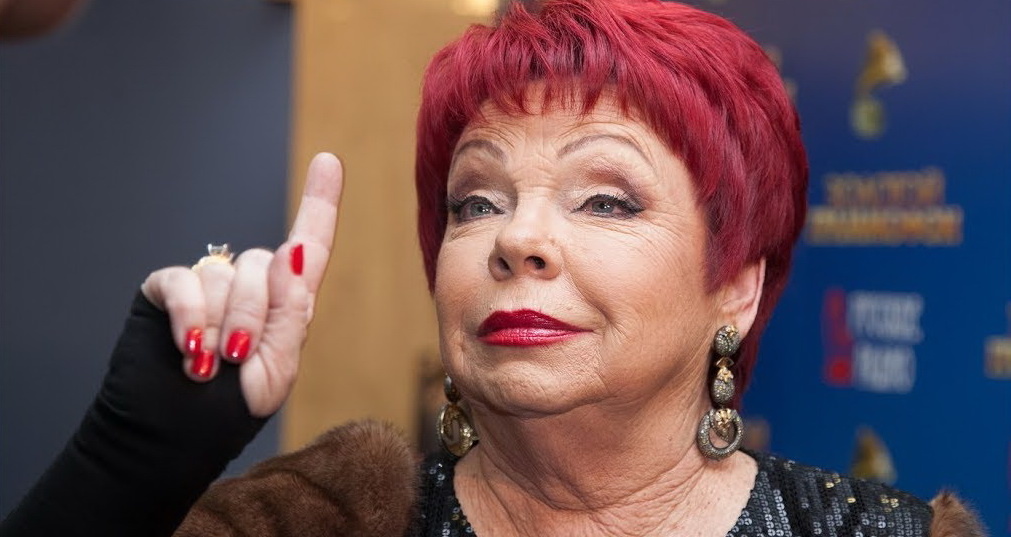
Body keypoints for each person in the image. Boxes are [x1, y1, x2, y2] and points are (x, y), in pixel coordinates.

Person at [0, 1, 985, 536]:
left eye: (606, 198)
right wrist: (128, 464)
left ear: (736, 281)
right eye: (476, 201)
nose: (517, 238)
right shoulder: (319, 521)